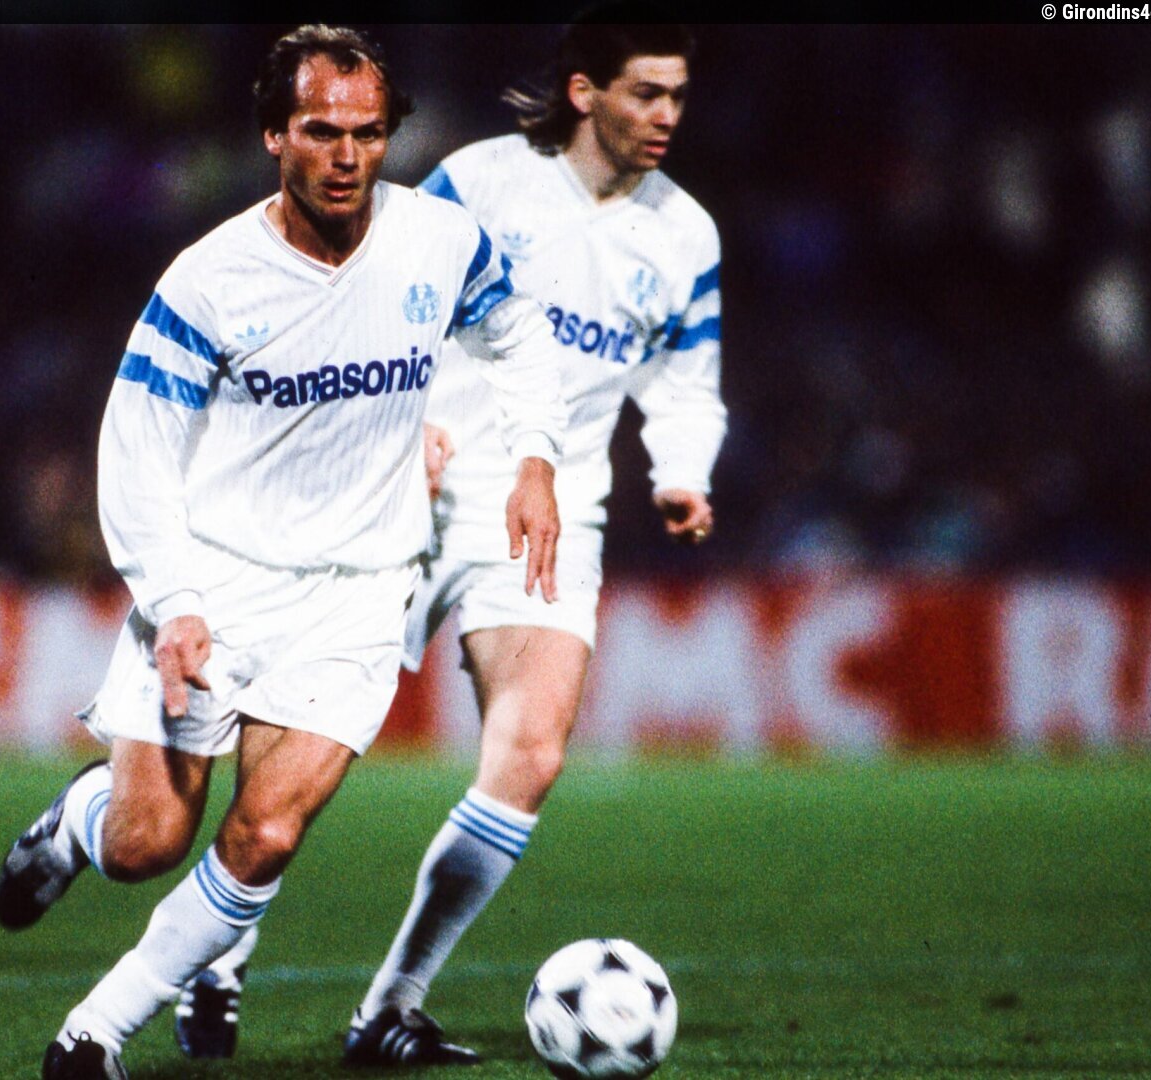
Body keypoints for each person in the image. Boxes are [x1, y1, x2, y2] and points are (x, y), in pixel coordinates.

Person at [0, 25, 572, 1080]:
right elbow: (135, 450)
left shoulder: (439, 241)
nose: (347, 156)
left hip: (359, 594)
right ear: (273, 135)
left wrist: (534, 458)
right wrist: (175, 600)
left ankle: (93, 1033)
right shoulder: (210, 281)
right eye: (319, 131)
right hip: (217, 583)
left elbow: (519, 336)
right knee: (145, 844)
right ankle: (80, 821)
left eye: (367, 133)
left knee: (264, 835)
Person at [176, 9, 728, 1068]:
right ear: (585, 92)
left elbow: (686, 379)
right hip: (408, 484)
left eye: (678, 95)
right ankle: (219, 952)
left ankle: (391, 1006)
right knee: (297, 737)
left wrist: (682, 473)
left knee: (532, 754)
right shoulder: (482, 182)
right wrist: (407, 419)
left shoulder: (685, 234)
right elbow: (367, 292)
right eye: (647, 92)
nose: (668, 114)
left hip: (549, 508)